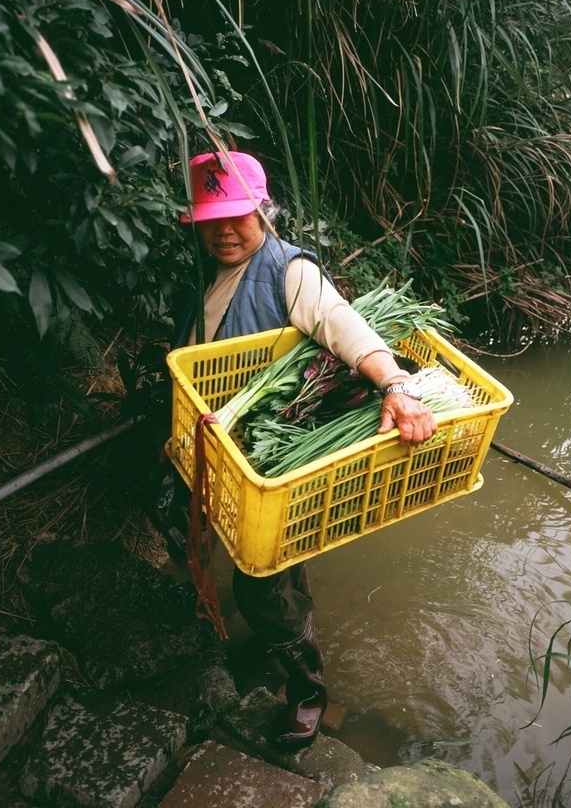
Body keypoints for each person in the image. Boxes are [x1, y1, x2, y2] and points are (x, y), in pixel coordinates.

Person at [173, 149, 436, 748]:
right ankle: (221, 619)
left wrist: (396, 386)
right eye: (211, 218)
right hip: (221, 446)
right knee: (193, 530)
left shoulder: (290, 271)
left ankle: (307, 687)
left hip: (274, 457)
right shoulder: (204, 269)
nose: (224, 231)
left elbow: (343, 325)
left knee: (262, 582)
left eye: (238, 216)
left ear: (264, 210)